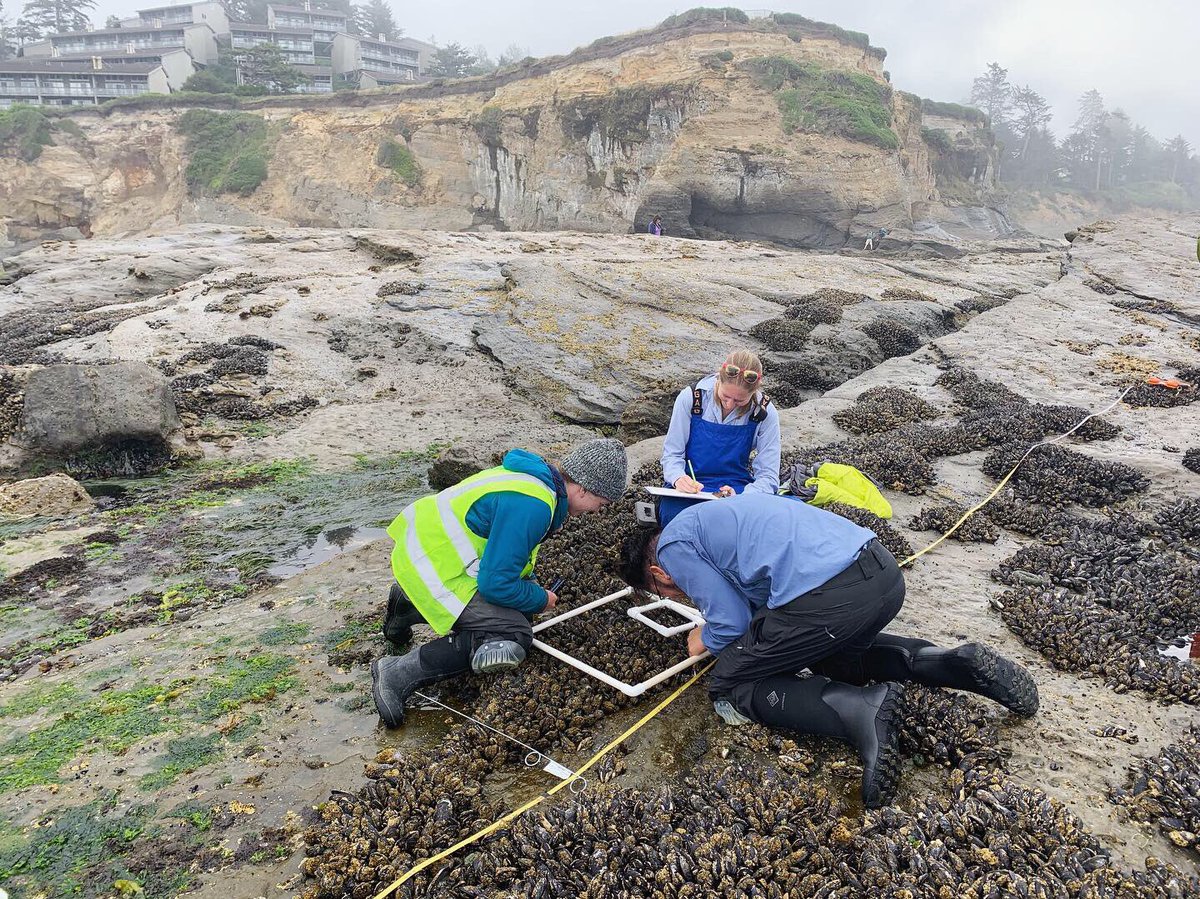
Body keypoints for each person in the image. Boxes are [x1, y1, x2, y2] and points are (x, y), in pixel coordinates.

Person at [616, 494, 1039, 808]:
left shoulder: (672, 549)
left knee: (730, 681)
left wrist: (703, 639)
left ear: (657, 574)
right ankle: (952, 662)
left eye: (661, 590)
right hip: (881, 574)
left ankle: (863, 710)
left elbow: (732, 621)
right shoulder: (707, 519)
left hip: (832, 599)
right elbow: (760, 597)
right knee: (831, 656)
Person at [372, 438, 628, 727]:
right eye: (601, 503)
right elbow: (495, 585)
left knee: (519, 612)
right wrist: (540, 599)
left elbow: (508, 561)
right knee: (514, 633)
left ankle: (408, 604)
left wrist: (529, 594)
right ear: (583, 488)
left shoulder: (536, 482)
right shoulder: (534, 506)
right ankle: (396, 672)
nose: (597, 512)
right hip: (433, 569)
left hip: (423, 557)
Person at [658, 349, 780, 526]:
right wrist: (678, 478)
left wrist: (742, 497)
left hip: (737, 488)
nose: (730, 404)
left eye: (739, 401)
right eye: (725, 396)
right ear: (718, 379)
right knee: (675, 518)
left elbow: (768, 475)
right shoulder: (692, 398)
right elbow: (672, 455)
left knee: (754, 522)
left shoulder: (765, 412)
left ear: (754, 392)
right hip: (692, 488)